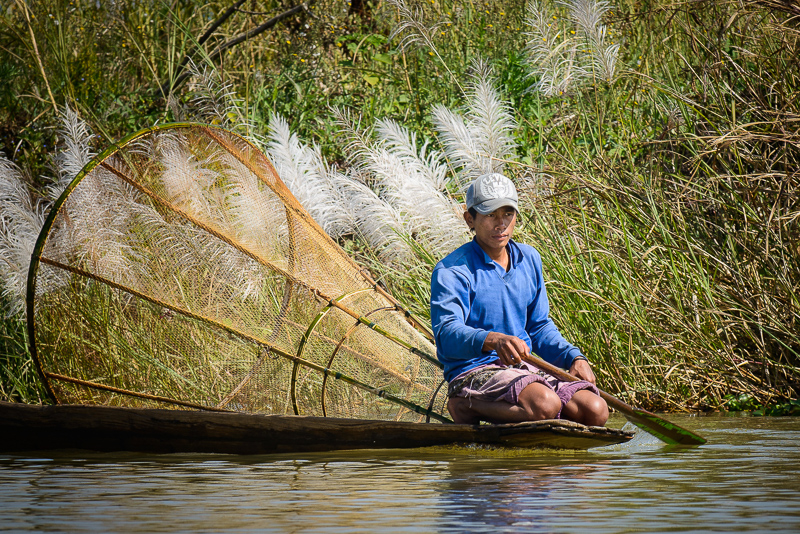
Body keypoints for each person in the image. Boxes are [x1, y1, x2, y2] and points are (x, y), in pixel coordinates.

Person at [430, 173, 608, 426]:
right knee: (545, 405)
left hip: (523, 370)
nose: (500, 224)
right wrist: (492, 339)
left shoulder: (529, 258)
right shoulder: (452, 270)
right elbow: (447, 335)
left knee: (595, 411)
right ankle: (465, 405)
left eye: (507, 214)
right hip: (475, 371)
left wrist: (574, 357)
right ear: (470, 219)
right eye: (490, 215)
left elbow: (539, 326)